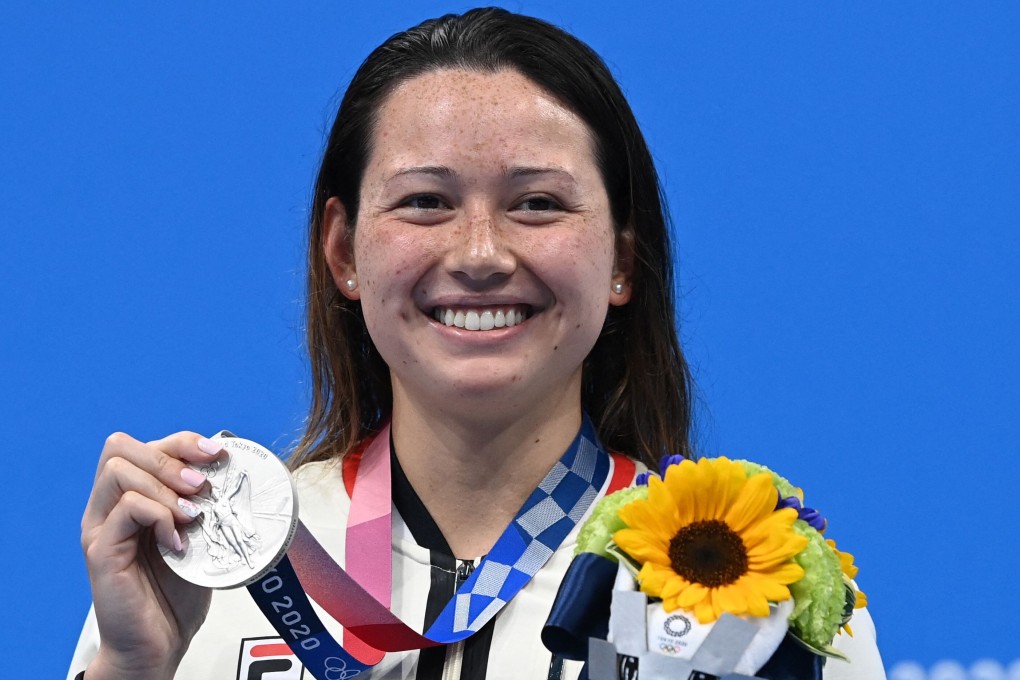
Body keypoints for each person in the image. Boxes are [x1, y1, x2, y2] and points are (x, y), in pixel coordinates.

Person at [69, 8, 885, 680]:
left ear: (622, 261)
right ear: (344, 252)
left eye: (537, 203)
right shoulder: (214, 573)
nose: (481, 254)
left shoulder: (757, 582)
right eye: (426, 201)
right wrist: (134, 667)